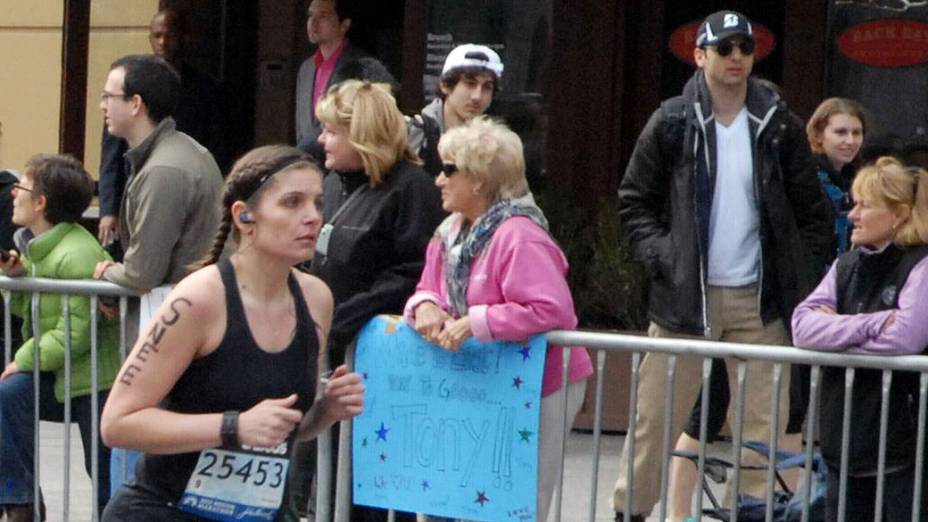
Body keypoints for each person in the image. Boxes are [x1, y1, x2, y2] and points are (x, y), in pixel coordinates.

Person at [613, 10, 832, 521]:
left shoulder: (779, 123)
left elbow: (811, 212)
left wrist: (801, 277)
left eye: (746, 48)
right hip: (687, 295)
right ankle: (631, 511)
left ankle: (751, 511)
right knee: (655, 416)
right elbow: (634, 201)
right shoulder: (671, 119)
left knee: (764, 423)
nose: (737, 57)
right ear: (700, 55)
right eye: (725, 47)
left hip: (761, 300)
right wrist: (663, 257)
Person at [99, 145, 365, 522]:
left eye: (318, 204)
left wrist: (324, 413)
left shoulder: (315, 298)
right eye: (292, 202)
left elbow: (276, 430)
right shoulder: (199, 298)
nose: (312, 217)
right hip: (165, 510)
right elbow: (118, 423)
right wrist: (232, 426)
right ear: (244, 216)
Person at [404, 116, 593, 521]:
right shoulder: (449, 233)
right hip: (478, 380)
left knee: (516, 495)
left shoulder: (519, 235)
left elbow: (551, 309)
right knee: (453, 489)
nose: (438, 179)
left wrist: (476, 321)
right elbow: (427, 286)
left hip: (539, 385)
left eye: (448, 169)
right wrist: (424, 305)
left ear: (479, 180)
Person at [310, 79, 442, 522]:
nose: (321, 139)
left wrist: (344, 318)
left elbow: (410, 272)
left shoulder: (412, 188)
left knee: (375, 486)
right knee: (331, 479)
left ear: (361, 133)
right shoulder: (332, 183)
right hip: (335, 351)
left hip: (382, 360)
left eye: (331, 130)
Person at [792, 156, 928, 522]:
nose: (853, 214)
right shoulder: (846, 265)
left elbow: (905, 339)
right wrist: (870, 323)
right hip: (844, 446)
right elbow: (802, 327)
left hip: (903, 452)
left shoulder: (921, 264)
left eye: (865, 205)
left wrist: (837, 330)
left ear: (898, 213)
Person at [0, 154, 120, 521]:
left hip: (95, 380)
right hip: (65, 375)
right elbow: (32, 312)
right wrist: (19, 279)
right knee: (8, 395)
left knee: (101, 475)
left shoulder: (76, 252)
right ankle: (21, 501)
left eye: (21, 188)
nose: (13, 195)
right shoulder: (41, 245)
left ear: (41, 203)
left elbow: (74, 334)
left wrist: (23, 357)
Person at [97, 8, 225, 257]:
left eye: (170, 35)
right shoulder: (128, 87)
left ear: (184, 37)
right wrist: (108, 210)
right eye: (156, 36)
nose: (163, 43)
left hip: (184, 194)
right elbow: (111, 158)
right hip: (131, 199)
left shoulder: (205, 90)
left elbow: (216, 143)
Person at [94, 54, 222, 296]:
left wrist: (107, 271)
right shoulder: (177, 153)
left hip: (185, 312)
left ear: (135, 104)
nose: (102, 106)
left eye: (108, 97)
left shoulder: (163, 170)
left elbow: (142, 273)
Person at [295, 0, 396, 155]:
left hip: (344, 162)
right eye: (310, 15)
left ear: (344, 25)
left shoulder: (363, 67)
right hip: (307, 163)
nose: (313, 23)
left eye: (323, 16)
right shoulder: (306, 68)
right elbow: (302, 126)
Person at [407, 44, 504, 177]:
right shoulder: (414, 132)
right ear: (445, 85)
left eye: (487, 87)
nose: (477, 96)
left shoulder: (495, 145)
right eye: (470, 84)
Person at [807, 97, 867, 259]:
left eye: (856, 133)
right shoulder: (804, 176)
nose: (850, 141)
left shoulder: (862, 180)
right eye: (840, 132)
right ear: (818, 135)